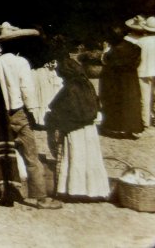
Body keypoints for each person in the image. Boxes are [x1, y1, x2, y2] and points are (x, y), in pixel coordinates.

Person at [0, 22, 62, 209]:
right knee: (31, 156)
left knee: (4, 153)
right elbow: (27, 90)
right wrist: (34, 112)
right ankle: (40, 197)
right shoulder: (21, 63)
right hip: (17, 112)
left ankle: (4, 191)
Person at [46, 58, 109, 200]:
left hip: (75, 131)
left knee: (75, 159)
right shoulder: (87, 85)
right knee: (90, 160)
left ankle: (74, 190)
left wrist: (53, 121)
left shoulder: (70, 89)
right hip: (90, 130)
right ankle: (93, 190)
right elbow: (96, 107)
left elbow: (60, 109)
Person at [99, 23, 144, 138]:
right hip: (130, 80)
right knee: (130, 103)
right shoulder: (134, 47)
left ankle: (115, 127)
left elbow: (106, 63)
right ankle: (130, 129)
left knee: (115, 103)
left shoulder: (113, 51)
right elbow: (136, 62)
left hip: (115, 80)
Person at [126, 15, 155, 128]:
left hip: (143, 71)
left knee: (145, 97)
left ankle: (145, 121)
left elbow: (135, 58)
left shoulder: (140, 42)